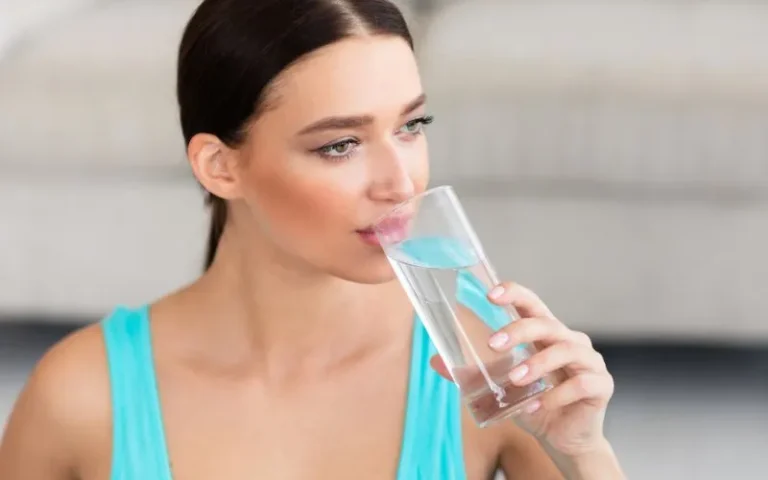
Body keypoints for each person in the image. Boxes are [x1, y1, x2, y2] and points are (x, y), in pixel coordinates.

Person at [0, 0, 625, 478]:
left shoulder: (486, 361)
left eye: (412, 126)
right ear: (221, 166)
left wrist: (583, 452)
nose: (400, 182)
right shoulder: (81, 397)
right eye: (340, 145)